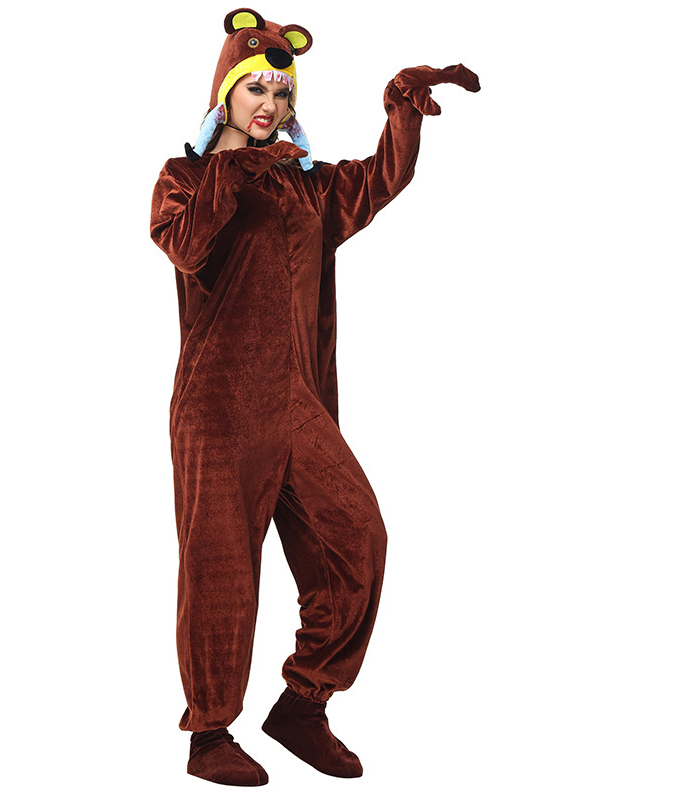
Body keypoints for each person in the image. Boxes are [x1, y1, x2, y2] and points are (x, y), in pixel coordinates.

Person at [150, 7, 479, 787]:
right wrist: (234, 171)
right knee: (221, 571)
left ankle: (303, 703)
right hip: (218, 409)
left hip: (298, 401)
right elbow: (187, 246)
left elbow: (379, 180)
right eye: (255, 88)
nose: (270, 103)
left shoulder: (306, 186)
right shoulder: (183, 178)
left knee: (357, 538)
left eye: (282, 92)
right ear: (225, 94)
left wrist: (401, 110)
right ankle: (209, 734)